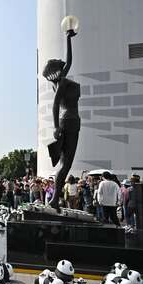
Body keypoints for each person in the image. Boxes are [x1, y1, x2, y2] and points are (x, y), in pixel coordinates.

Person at [43, 28, 80, 210]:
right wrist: (56, 127)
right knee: (66, 165)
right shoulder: (62, 83)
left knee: (66, 165)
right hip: (69, 122)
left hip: (72, 121)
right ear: (57, 71)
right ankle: (55, 199)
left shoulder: (61, 81)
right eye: (60, 64)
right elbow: (55, 104)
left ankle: (55, 199)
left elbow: (69, 60)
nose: (63, 63)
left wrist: (68, 39)